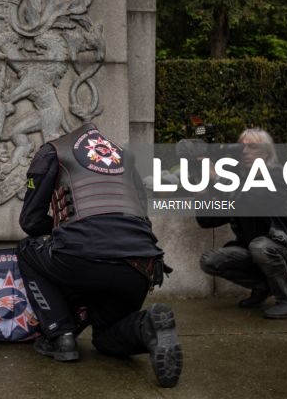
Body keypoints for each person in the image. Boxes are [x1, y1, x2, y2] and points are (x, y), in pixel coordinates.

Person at [16, 123, 183, 388]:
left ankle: (60, 335)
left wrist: (63, 228)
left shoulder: (53, 151)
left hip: (80, 255)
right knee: (106, 337)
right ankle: (147, 326)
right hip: (139, 265)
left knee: (27, 250)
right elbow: (142, 217)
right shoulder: (125, 157)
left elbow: (30, 221)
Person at [197, 128, 287, 319]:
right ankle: (262, 286)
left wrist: (217, 177)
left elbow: (250, 198)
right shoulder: (237, 182)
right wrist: (202, 185)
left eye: (252, 147)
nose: (244, 152)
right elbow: (206, 219)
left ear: (266, 152)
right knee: (211, 260)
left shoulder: (279, 176)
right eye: (241, 147)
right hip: (258, 250)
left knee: (259, 245)